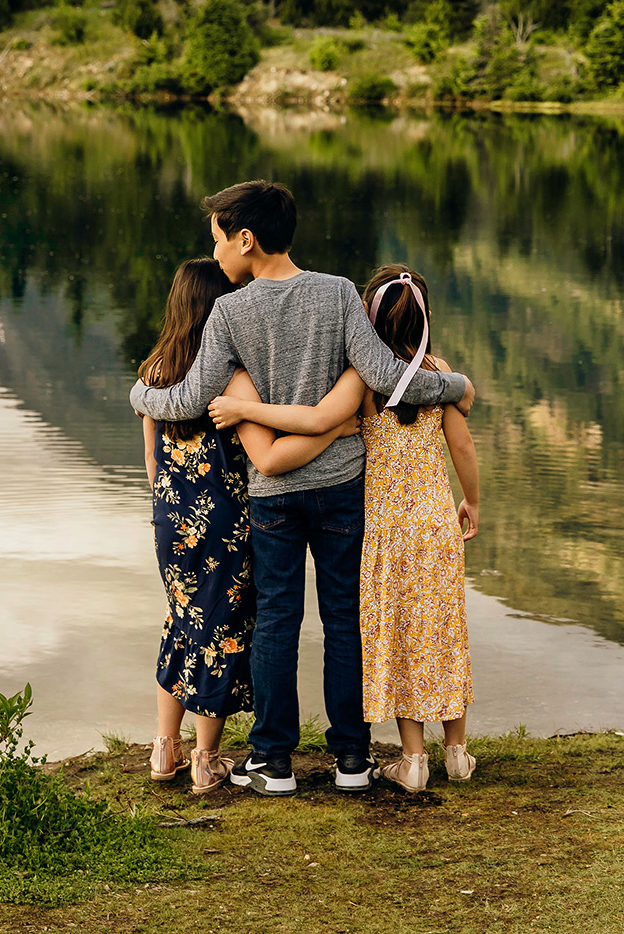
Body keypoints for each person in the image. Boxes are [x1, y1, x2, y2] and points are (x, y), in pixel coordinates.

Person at [128, 181, 474, 797]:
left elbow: (188, 399)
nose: (216, 254)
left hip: (271, 493)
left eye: (218, 240)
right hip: (341, 484)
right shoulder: (340, 293)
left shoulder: (230, 313)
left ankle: (274, 762)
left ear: (246, 239)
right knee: (344, 618)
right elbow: (391, 378)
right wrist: (455, 386)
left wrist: (139, 396)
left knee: (277, 622)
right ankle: (351, 761)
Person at [210, 264, 481, 794]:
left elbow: (307, 423)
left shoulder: (356, 376)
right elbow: (462, 445)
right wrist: (470, 495)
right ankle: (364, 757)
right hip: (392, 510)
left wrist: (247, 412)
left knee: (295, 621)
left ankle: (285, 757)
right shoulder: (424, 369)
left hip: (352, 517)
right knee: (366, 623)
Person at [138, 258, 356, 795]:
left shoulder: (153, 373)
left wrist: (172, 503)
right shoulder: (232, 377)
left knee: (182, 621)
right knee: (223, 630)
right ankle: (205, 756)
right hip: (225, 522)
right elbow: (265, 457)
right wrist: (339, 428)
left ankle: (166, 749)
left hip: (171, 519)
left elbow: (151, 461)